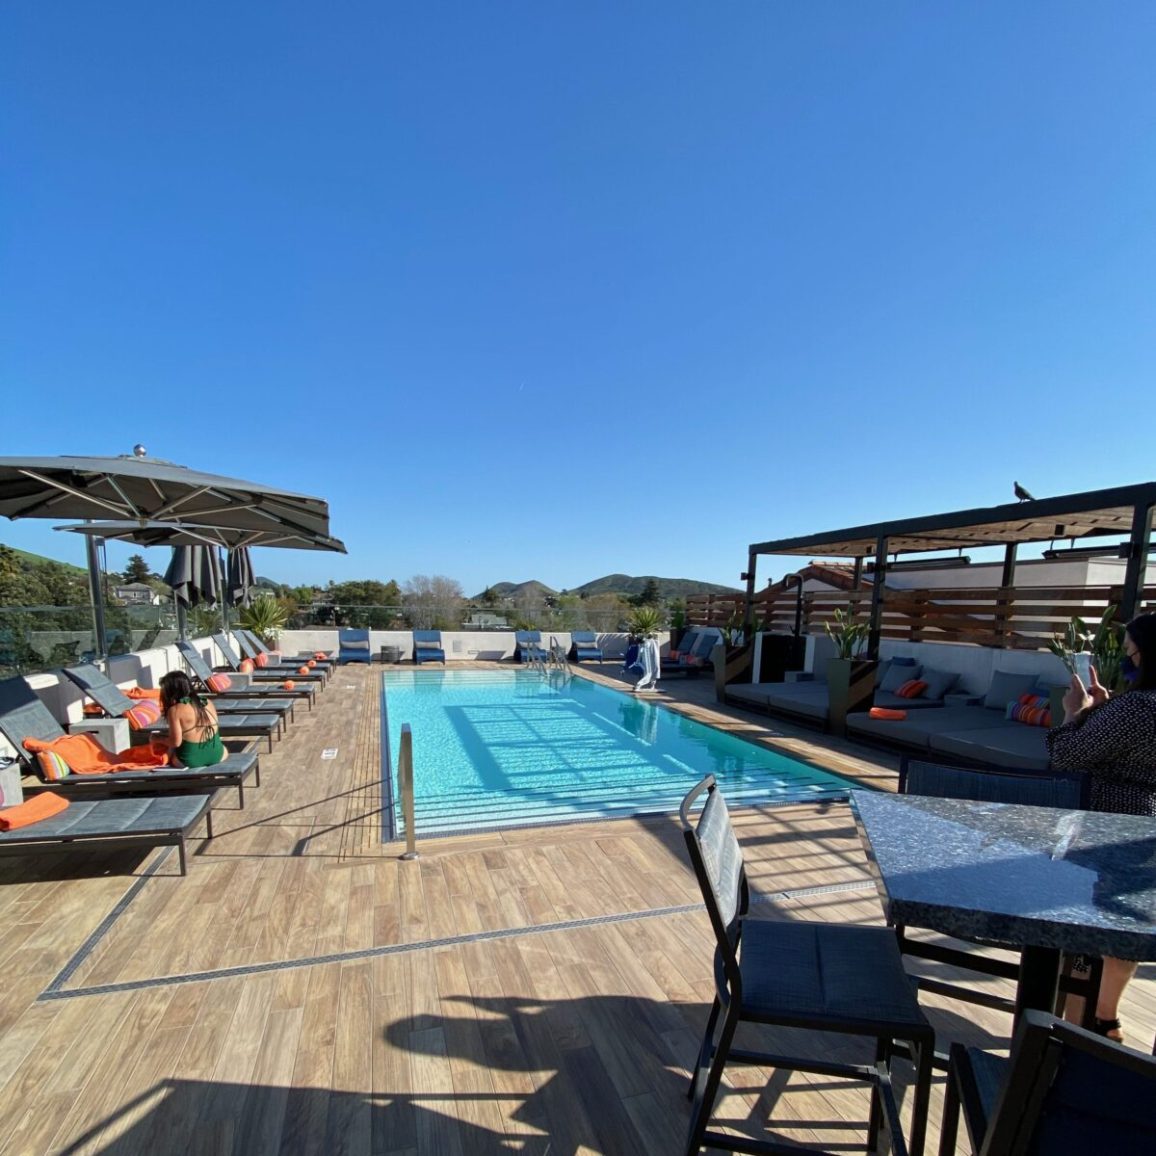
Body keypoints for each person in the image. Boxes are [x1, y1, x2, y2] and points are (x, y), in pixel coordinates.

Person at [1047, 612, 1156, 1043]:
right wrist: (1106, 713)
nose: (1126, 658)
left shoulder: (1136, 709)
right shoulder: (1132, 709)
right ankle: (1106, 1018)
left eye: (1129, 650)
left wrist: (1075, 714)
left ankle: (1076, 1026)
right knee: (1125, 923)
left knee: (1087, 925)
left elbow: (1067, 755)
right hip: (1148, 830)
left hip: (1108, 825)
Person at [159, 670, 226, 768]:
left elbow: (175, 742)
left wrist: (157, 739)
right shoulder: (207, 701)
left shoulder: (174, 710)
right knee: (223, 749)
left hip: (189, 760)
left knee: (170, 753)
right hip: (217, 756)